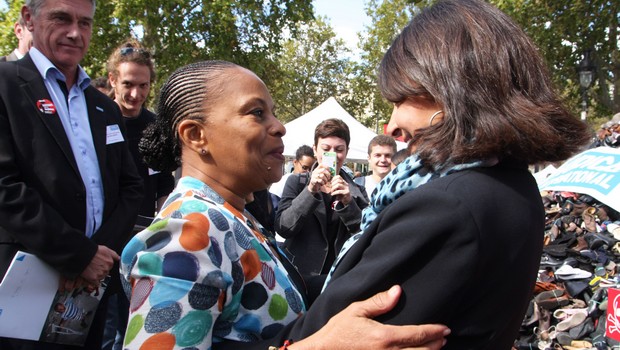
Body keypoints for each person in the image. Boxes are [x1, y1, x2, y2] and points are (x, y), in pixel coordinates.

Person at [214, 0, 592, 349]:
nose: (392, 125)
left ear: (453, 89)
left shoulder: (446, 205)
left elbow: (330, 333)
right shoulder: (513, 184)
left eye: (400, 100)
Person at [120, 60, 449, 350]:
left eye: (273, 113)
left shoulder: (231, 217)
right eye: (257, 112)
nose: (280, 127)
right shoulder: (186, 235)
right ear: (195, 136)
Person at [0, 0, 144, 349]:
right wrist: (77, 254)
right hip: (21, 282)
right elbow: (4, 186)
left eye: (85, 23)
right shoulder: (4, 85)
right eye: (62, 19)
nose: (75, 33)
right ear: (28, 18)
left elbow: (130, 186)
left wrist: (99, 254)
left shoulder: (104, 106)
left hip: (90, 289)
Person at [102, 40, 175, 350]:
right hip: (101, 242)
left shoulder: (155, 126)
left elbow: (163, 187)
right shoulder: (97, 117)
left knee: (128, 327)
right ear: (112, 81)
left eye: (143, 85)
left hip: (142, 245)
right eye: (128, 84)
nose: (136, 94)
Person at [275, 118, 368, 282]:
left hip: (338, 277)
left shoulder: (356, 190)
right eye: (326, 149)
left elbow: (365, 235)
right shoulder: (297, 182)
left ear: (346, 152)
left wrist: (349, 203)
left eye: (339, 149)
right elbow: (284, 227)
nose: (332, 155)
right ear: (315, 150)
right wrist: (310, 191)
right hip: (299, 275)